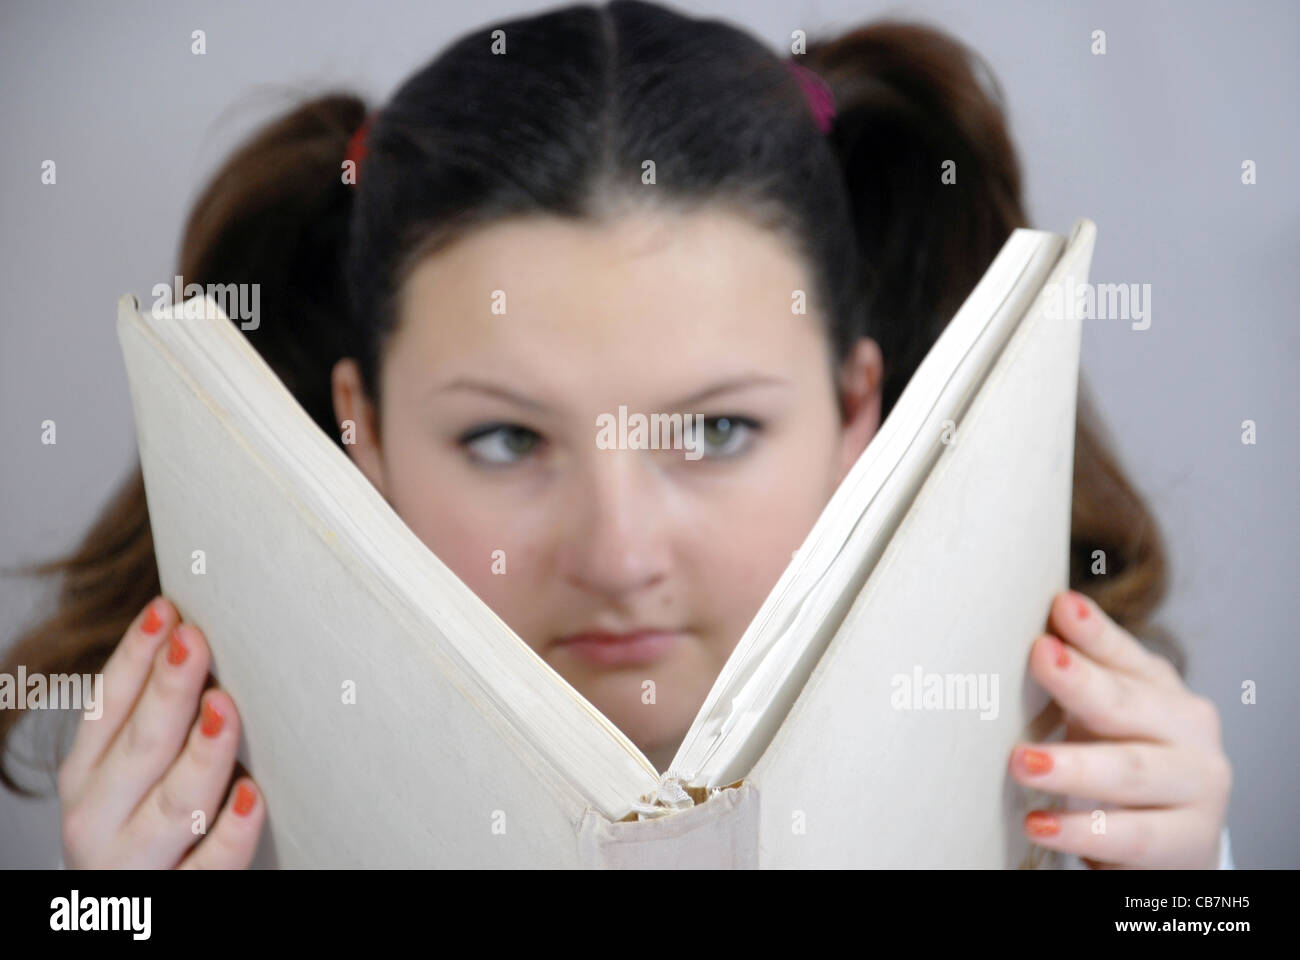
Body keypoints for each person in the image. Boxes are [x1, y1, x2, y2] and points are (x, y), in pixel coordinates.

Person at [1, 0, 1231, 869]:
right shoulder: (190, 825)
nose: (619, 552)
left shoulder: (1078, 787)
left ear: (856, 412)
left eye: (715, 428)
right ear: (361, 432)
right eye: (503, 441)